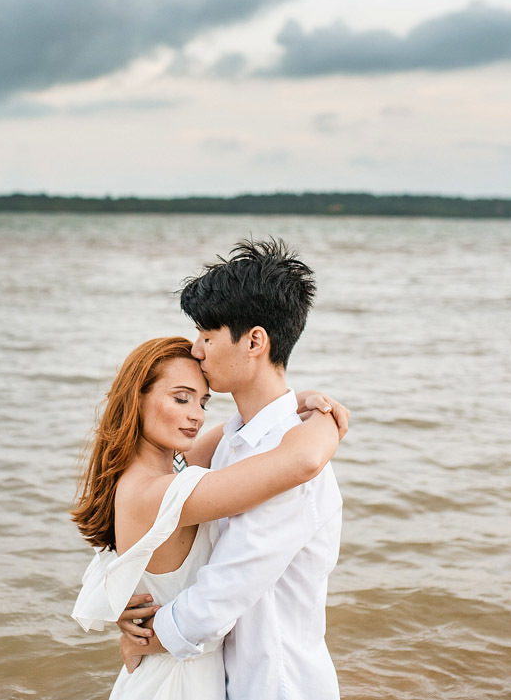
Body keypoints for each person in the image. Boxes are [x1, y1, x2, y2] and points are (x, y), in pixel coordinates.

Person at [74, 238, 346, 700]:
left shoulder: (287, 458)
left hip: (277, 685)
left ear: (254, 341)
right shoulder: (237, 449)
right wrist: (131, 615)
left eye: (207, 335)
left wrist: (145, 635)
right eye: (181, 399)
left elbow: (221, 593)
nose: (198, 350)